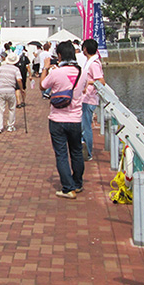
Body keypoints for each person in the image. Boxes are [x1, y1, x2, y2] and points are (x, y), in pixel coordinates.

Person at [40, 41, 88, 199]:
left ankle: (68, 188)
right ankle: (78, 183)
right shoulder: (81, 73)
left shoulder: (56, 72)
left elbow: (42, 85)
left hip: (57, 119)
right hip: (75, 118)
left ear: (59, 55)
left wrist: (46, 67)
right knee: (76, 152)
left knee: (61, 154)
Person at [79, 39, 106, 160]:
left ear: (85, 49)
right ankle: (84, 149)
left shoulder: (94, 64)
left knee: (86, 127)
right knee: (83, 126)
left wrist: (87, 82)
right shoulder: (90, 61)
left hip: (89, 99)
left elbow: (101, 81)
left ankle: (88, 153)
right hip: (86, 97)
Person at [0, 52, 22, 133]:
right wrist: (21, 88)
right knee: (12, 108)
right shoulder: (16, 69)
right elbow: (19, 79)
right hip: (10, 90)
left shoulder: (1, 68)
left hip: (1, 89)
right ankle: (10, 125)